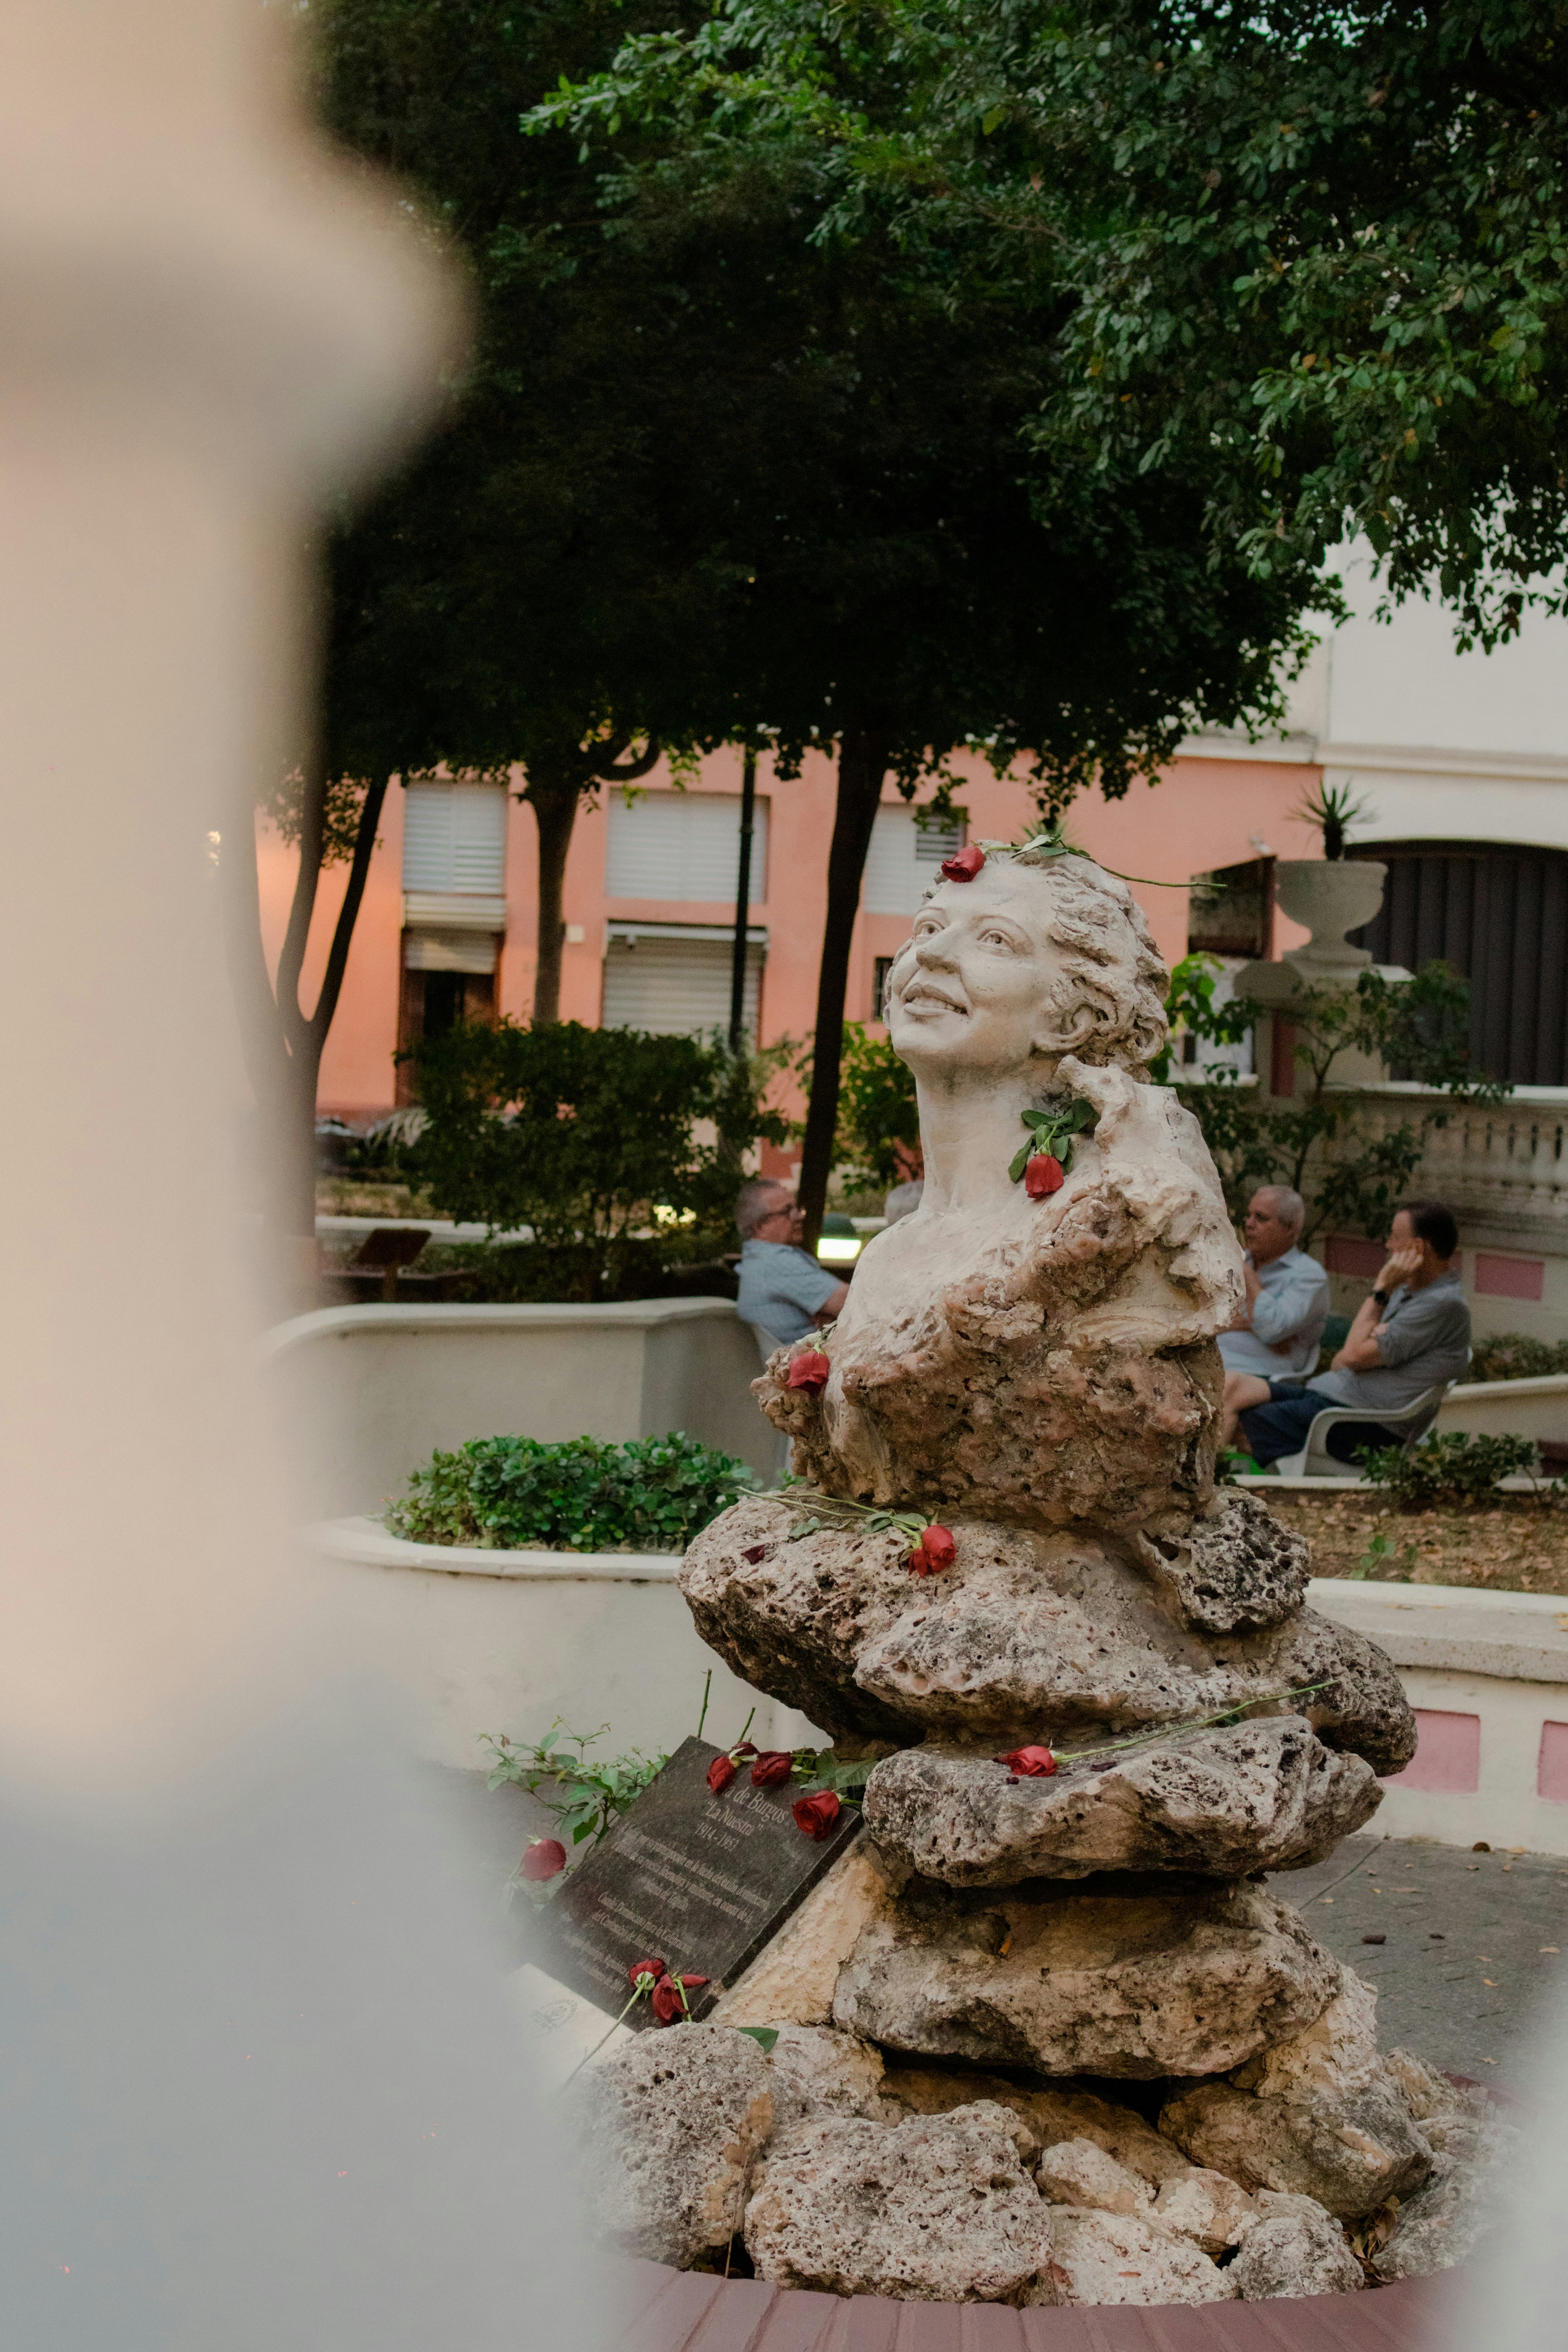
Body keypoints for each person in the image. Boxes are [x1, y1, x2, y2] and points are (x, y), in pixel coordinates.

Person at [1234, 1199, 1470, 1469]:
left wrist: (1381, 1289)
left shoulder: (1441, 1305)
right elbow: (1345, 1358)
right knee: (1233, 1388)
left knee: (1243, 1420)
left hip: (1363, 1423)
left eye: (1394, 1238)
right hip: (1334, 1397)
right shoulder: (1410, 1291)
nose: (1388, 1246)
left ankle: (1225, 1490)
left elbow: (1352, 1356)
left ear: (1417, 1248)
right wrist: (1365, 1343)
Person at [1218, 1186, 1330, 1446]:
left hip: (1264, 1377)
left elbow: (1270, 1328)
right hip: (1219, 1361)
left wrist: (1247, 1273)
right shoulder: (1233, 1265)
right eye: (1249, 1216)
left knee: (1222, 1388)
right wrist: (1249, 1323)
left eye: (1262, 1218)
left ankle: (1206, 1481)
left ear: (1290, 1228)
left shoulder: (1308, 1276)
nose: (1249, 1224)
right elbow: (1204, 1319)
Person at [734, 1177, 849, 1347]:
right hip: (807, 1368)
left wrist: (829, 1315)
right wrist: (834, 1316)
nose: (799, 1217)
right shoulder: (775, 1261)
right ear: (760, 1226)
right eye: (787, 1211)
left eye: (797, 1208)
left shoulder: (757, 1259)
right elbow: (854, 1302)